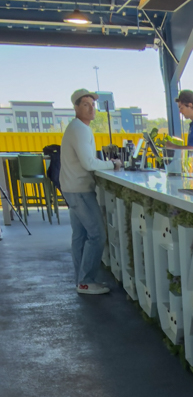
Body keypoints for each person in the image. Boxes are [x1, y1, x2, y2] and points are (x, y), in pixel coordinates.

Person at [59, 88, 121, 295]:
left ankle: (81, 280)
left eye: (92, 105)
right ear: (76, 107)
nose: (91, 108)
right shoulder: (80, 129)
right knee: (96, 235)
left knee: (80, 235)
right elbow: (88, 162)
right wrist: (112, 164)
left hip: (71, 188)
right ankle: (85, 281)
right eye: (85, 104)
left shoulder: (75, 127)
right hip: (79, 189)